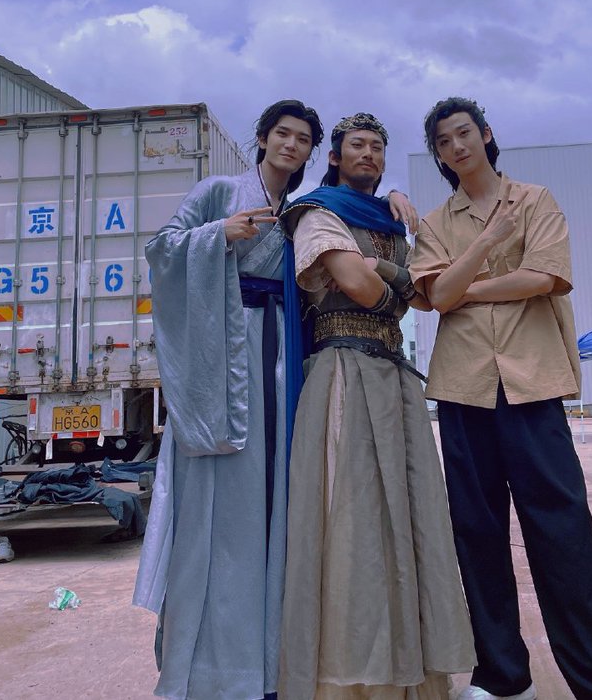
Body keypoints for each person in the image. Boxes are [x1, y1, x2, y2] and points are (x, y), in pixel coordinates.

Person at [133, 100, 418, 700]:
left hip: (286, 355)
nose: (291, 145)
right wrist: (219, 233)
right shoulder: (219, 191)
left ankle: (271, 664)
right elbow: (161, 249)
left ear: (315, 152)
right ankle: (211, 667)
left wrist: (392, 198)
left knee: (283, 502)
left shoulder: (304, 208)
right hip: (227, 356)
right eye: (282, 134)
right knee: (223, 508)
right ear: (262, 139)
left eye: (302, 139)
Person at [408, 98, 592, 700]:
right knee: (477, 534)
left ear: (486, 135)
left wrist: (465, 285)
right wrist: (488, 244)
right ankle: (503, 678)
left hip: (532, 384)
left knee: (563, 532)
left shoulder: (536, 200)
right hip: (463, 390)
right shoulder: (435, 223)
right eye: (443, 142)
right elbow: (434, 297)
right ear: (438, 155)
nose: (457, 146)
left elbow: (545, 277)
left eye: (464, 133)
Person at [278, 112, 475, 700]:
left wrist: (387, 273)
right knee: (351, 519)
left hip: (394, 378)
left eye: (377, 147)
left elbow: (418, 295)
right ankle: (350, 678)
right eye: (357, 145)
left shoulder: (390, 220)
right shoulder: (315, 213)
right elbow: (365, 289)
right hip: (343, 373)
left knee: (411, 519)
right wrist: (395, 284)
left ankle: (410, 671)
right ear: (334, 156)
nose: (368, 154)